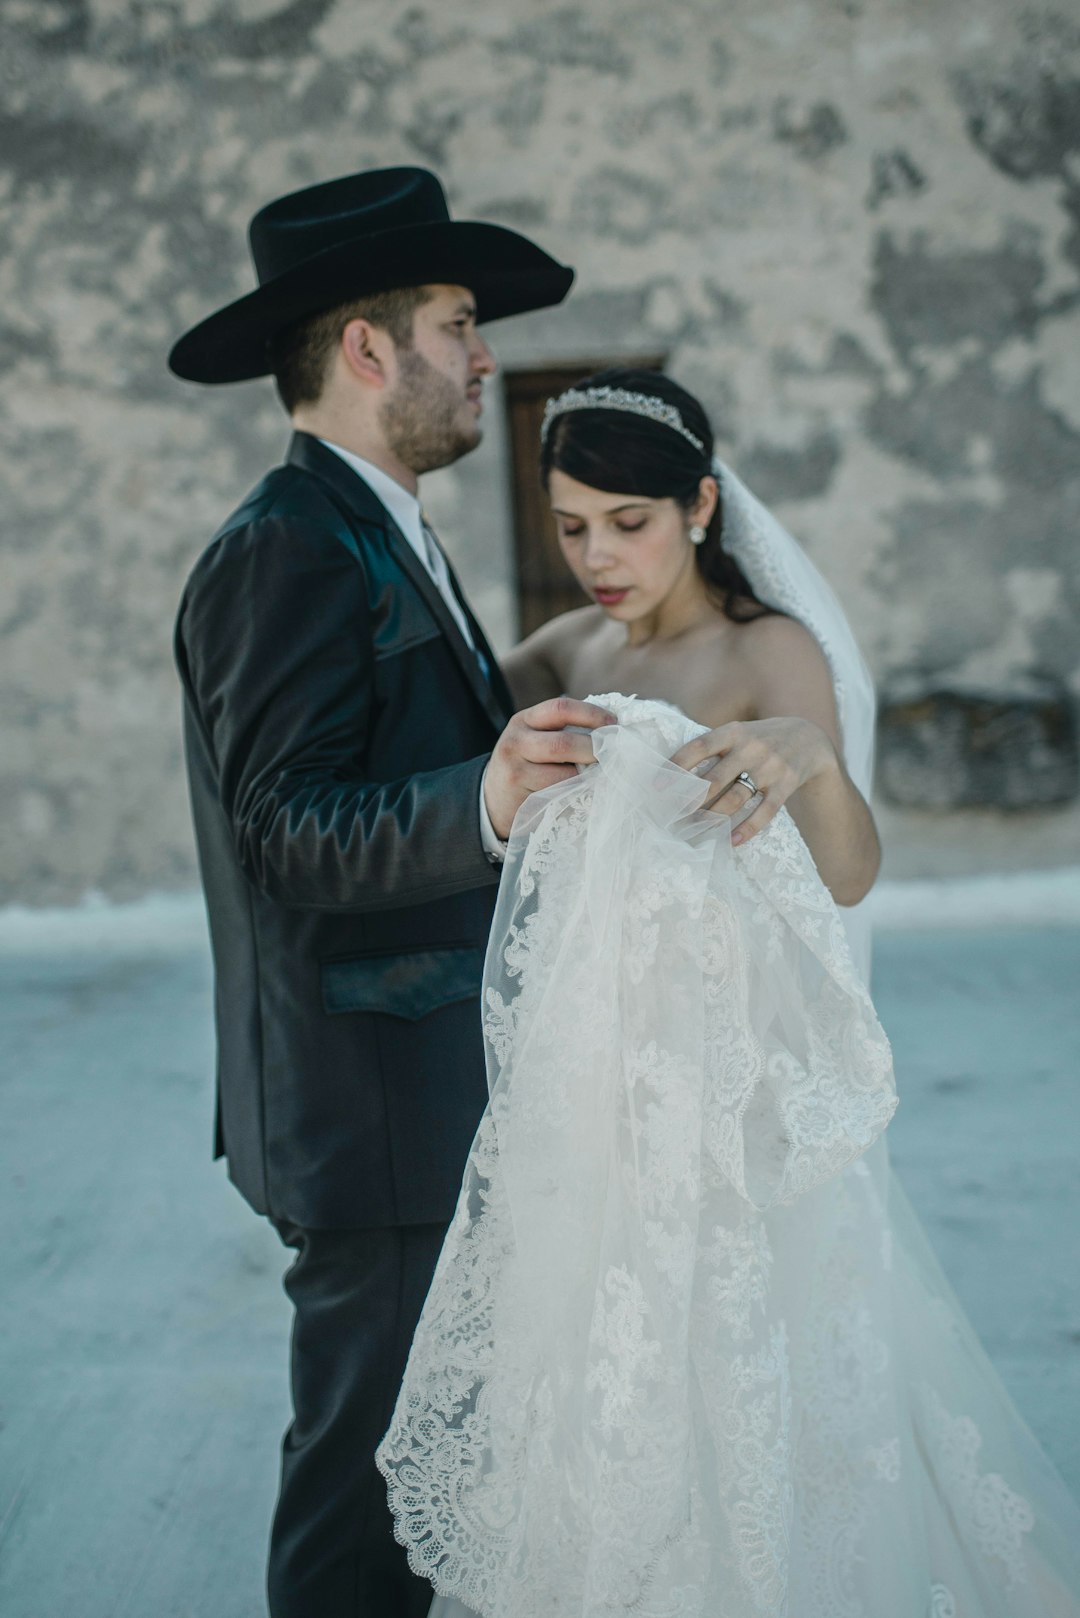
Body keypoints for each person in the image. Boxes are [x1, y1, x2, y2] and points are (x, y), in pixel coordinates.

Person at [378, 371, 1080, 1617]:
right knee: (616, 1399)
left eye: (629, 521)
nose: (599, 553)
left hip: (741, 1106)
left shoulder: (769, 650)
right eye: (573, 524)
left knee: (782, 1396)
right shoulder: (552, 656)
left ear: (700, 503)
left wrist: (810, 757)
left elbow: (851, 877)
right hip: (604, 1105)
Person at [168, 166, 614, 1618]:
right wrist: (487, 794)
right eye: (459, 321)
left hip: (426, 1100)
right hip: (374, 1114)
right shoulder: (285, 545)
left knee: (422, 1492)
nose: (484, 355)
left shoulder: (381, 522)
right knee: (363, 1511)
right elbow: (286, 830)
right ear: (370, 349)